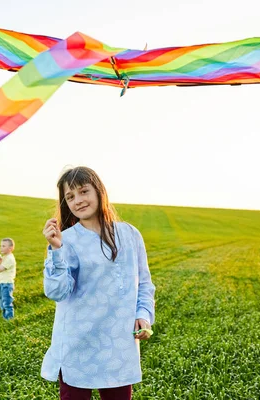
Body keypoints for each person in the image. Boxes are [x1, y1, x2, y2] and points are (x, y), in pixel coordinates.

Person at [40, 166, 155, 400]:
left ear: (99, 191)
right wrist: (55, 249)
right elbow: (56, 292)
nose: (78, 201)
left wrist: (143, 314)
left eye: (84, 191)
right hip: (77, 343)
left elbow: (144, 283)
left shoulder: (130, 234)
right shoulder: (66, 239)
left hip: (119, 345)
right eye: (70, 197)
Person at [0, 238, 17, 320]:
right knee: (2, 303)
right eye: (0, 246)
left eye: (4, 246)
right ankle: (5, 318)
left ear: (10, 248)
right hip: (2, 283)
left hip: (7, 284)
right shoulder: (6, 257)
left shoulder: (10, 258)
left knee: (7, 303)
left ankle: (9, 320)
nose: (1, 248)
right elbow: (1, 266)